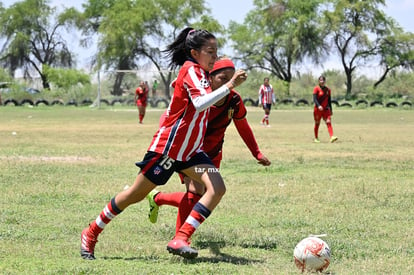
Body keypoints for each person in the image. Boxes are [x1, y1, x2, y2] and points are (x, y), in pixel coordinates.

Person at [80, 27, 248, 260]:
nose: (214, 56)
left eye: (216, 51)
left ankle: (181, 237)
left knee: (217, 187)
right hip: (168, 151)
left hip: (190, 154)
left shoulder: (198, 73)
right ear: (195, 52)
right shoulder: (191, 70)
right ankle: (91, 231)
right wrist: (229, 86)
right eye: (210, 51)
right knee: (133, 195)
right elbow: (200, 103)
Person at [145, 58, 271, 236]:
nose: (229, 82)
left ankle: (158, 198)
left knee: (203, 195)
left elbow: (243, 126)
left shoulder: (234, 101)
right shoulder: (199, 99)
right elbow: (169, 118)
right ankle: (180, 239)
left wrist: (256, 153)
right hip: (189, 153)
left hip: (213, 155)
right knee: (194, 191)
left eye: (231, 77)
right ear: (209, 78)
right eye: (223, 77)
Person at [313, 75, 338, 143]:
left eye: (323, 80)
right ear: (319, 81)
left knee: (328, 122)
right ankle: (316, 138)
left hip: (326, 109)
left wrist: (331, 110)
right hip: (317, 110)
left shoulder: (328, 90)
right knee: (317, 123)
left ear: (325, 81)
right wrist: (318, 106)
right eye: (320, 80)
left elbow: (329, 100)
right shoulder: (316, 89)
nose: (322, 81)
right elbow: (314, 99)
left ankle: (332, 137)